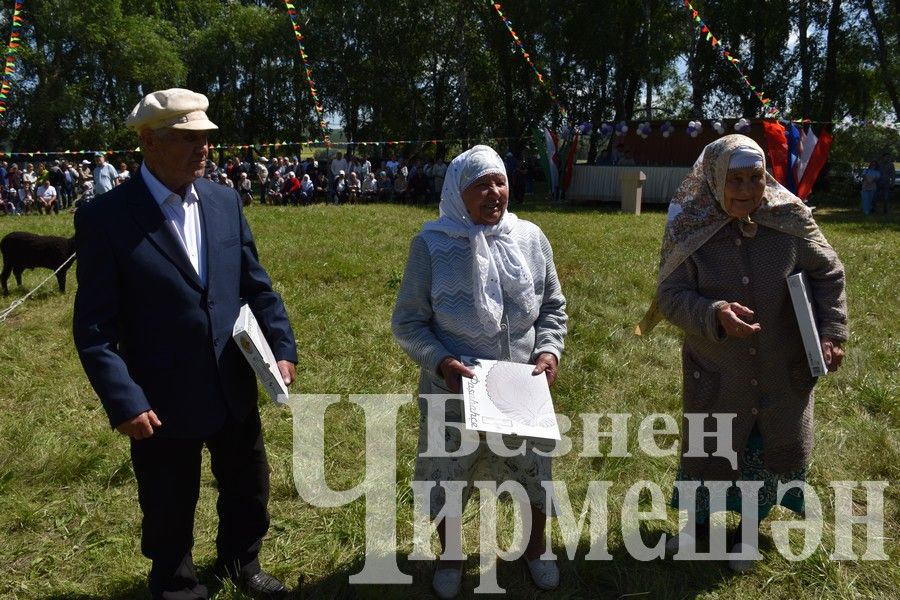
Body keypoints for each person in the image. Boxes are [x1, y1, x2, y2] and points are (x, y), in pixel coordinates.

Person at [72, 88, 297, 599]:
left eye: (206, 138)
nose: (204, 148)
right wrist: (124, 400)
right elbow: (94, 327)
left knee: (248, 485)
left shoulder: (223, 201)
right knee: (169, 499)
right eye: (188, 138)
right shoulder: (106, 219)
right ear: (149, 142)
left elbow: (256, 286)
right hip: (161, 396)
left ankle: (243, 561)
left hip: (232, 381)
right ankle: (175, 583)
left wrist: (281, 347)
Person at [637, 134, 847, 572]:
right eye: (735, 179)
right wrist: (713, 313)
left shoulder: (789, 220)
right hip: (716, 372)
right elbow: (670, 295)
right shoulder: (690, 227)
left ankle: (748, 535)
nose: (747, 190)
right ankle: (694, 530)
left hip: (779, 368)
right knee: (708, 451)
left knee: (764, 451)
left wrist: (832, 331)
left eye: (755, 178)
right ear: (715, 178)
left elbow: (829, 272)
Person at [392, 145, 568, 598]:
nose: (494, 193)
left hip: (519, 388)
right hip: (454, 392)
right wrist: (442, 362)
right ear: (457, 192)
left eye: (500, 181)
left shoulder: (530, 238)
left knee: (533, 474)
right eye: (480, 185)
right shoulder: (431, 244)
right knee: (451, 476)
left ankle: (535, 550)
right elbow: (408, 322)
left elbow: (552, 307)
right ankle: (451, 556)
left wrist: (548, 352)